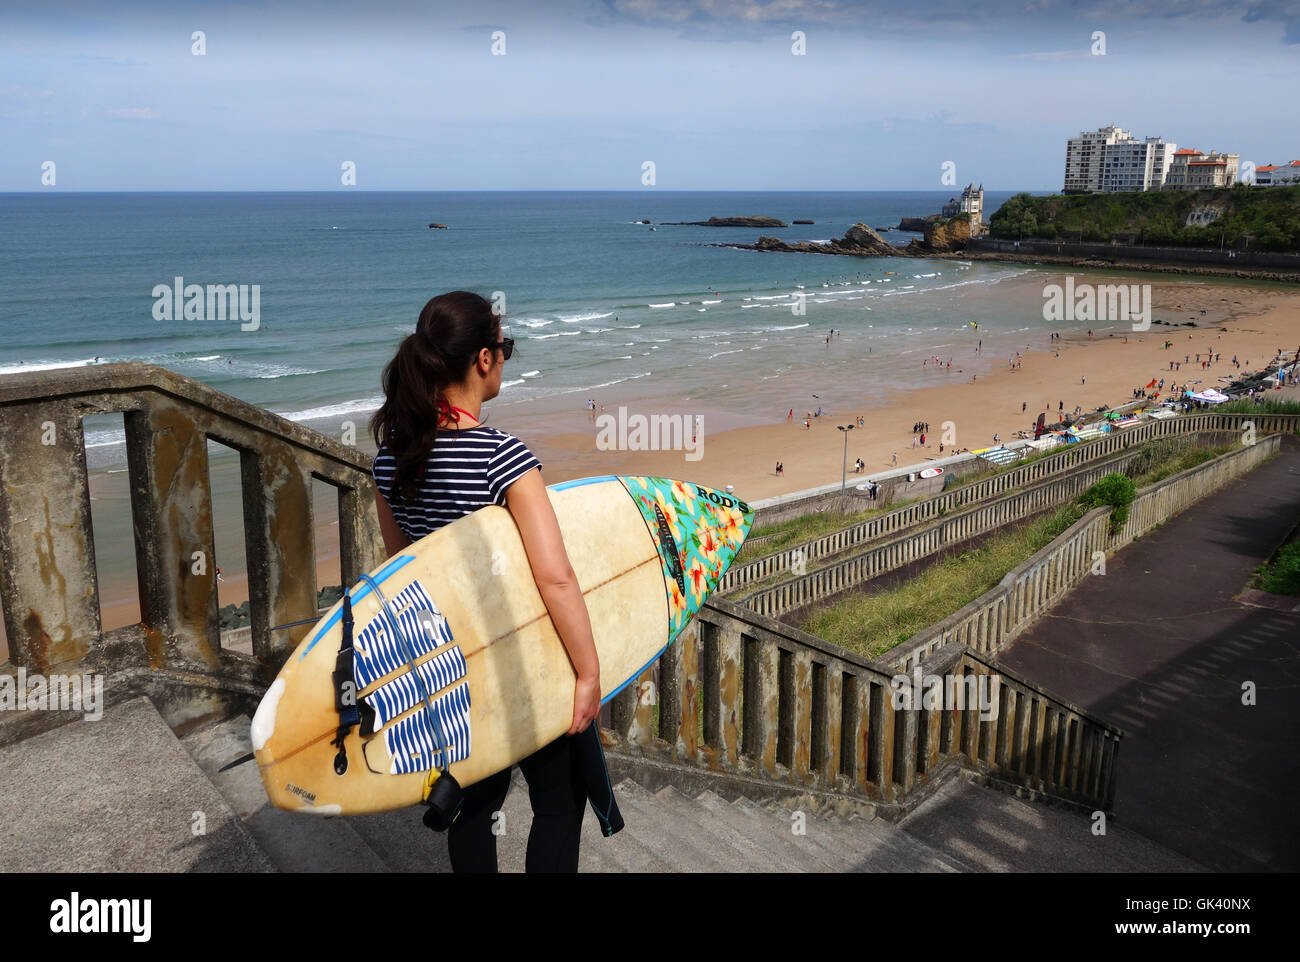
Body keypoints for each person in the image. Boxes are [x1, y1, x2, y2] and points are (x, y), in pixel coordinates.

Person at [369, 291, 613, 873]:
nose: (505, 358)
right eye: (504, 348)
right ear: (483, 359)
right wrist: (587, 672)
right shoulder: (500, 457)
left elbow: (405, 574)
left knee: (472, 805)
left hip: (452, 670)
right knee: (557, 804)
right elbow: (555, 580)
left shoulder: (390, 459)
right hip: (523, 663)